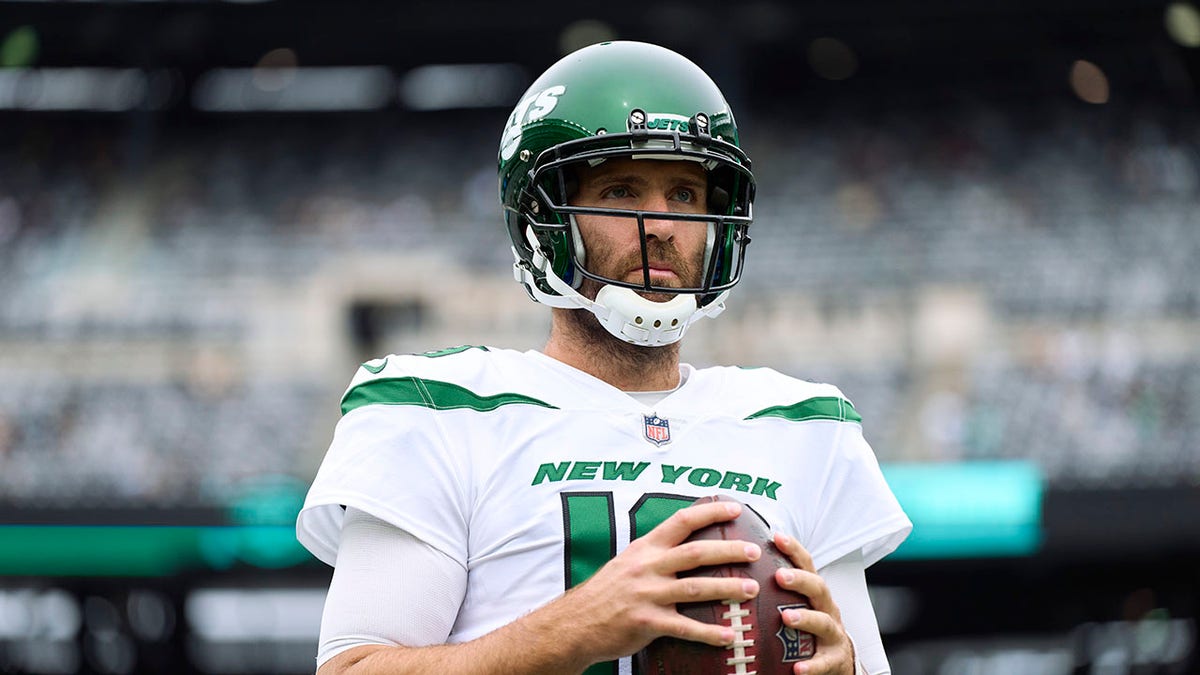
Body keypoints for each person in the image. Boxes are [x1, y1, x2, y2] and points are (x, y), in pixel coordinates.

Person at [296, 41, 911, 675]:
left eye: (685, 193)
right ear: (540, 219)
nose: (663, 224)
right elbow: (354, 669)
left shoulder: (803, 426)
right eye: (620, 192)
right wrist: (575, 629)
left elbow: (859, 660)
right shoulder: (441, 410)